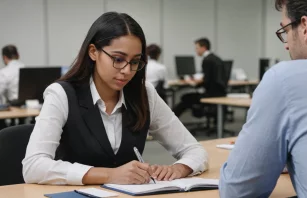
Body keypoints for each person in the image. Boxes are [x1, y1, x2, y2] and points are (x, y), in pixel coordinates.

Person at [22, 12, 208, 185]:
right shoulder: (62, 94)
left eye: (135, 62)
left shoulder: (144, 94)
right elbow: (34, 166)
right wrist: (109, 175)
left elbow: (196, 151)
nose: (127, 71)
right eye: (118, 59)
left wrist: (180, 168)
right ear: (93, 52)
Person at [219, 0, 307, 197]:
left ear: (305, 27)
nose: (286, 45)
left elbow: (238, 191)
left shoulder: (286, 79)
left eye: (286, 31)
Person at [173, 38, 227, 117]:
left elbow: (206, 81)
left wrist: (194, 84)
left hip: (211, 94)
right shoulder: (216, 58)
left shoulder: (207, 60)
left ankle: (173, 119)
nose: (196, 50)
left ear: (203, 48)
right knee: (188, 98)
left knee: (185, 98)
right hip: (220, 92)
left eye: (197, 48)